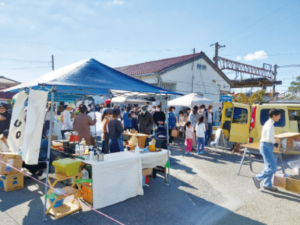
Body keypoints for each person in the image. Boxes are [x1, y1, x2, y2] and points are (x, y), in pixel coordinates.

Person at [253, 108, 281, 191]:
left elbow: (269, 137)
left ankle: (267, 184)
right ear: (274, 115)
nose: (279, 117)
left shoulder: (269, 123)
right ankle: (257, 178)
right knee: (274, 167)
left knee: (268, 166)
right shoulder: (270, 124)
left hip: (266, 146)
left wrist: (273, 141)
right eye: (279, 116)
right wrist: (275, 141)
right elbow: (269, 138)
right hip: (266, 146)